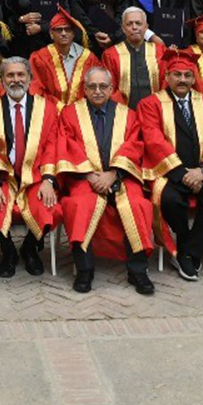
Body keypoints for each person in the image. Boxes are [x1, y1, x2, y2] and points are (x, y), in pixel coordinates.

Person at [136, 49, 203, 279]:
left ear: (194, 78)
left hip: (202, 171)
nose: (182, 80)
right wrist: (182, 173)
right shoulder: (151, 104)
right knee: (170, 199)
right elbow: (153, 139)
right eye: (177, 75)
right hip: (169, 172)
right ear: (167, 76)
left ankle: (188, 251)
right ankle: (185, 241)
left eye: (188, 75)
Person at [57, 66, 155, 294]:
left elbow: (134, 146)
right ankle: (84, 270)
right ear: (85, 89)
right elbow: (67, 145)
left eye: (103, 86)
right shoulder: (70, 113)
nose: (98, 91)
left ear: (112, 89)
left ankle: (138, 271)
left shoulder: (127, 114)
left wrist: (113, 174)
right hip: (84, 177)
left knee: (138, 205)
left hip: (120, 175)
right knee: (80, 206)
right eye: (92, 86)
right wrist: (90, 175)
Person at [0, 56, 60, 276]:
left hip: (36, 176)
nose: (16, 80)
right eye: (10, 75)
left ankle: (29, 248)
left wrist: (48, 180)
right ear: (2, 79)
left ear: (30, 78)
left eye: (20, 75)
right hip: (2, 176)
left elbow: (53, 146)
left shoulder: (47, 109)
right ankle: (8, 251)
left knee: (49, 208)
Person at [29, 8, 95, 105]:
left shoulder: (88, 58)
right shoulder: (39, 58)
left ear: (73, 33)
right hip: (50, 112)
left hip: (81, 114)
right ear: (51, 34)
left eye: (67, 29)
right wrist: (58, 108)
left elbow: (94, 89)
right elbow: (36, 90)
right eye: (59, 30)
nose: (63, 33)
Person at [101, 6, 163, 107]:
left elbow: (165, 83)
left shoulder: (159, 52)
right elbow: (110, 88)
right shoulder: (111, 55)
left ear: (146, 27)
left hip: (155, 112)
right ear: (123, 28)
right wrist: (124, 112)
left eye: (138, 23)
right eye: (129, 24)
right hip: (123, 114)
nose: (134, 27)